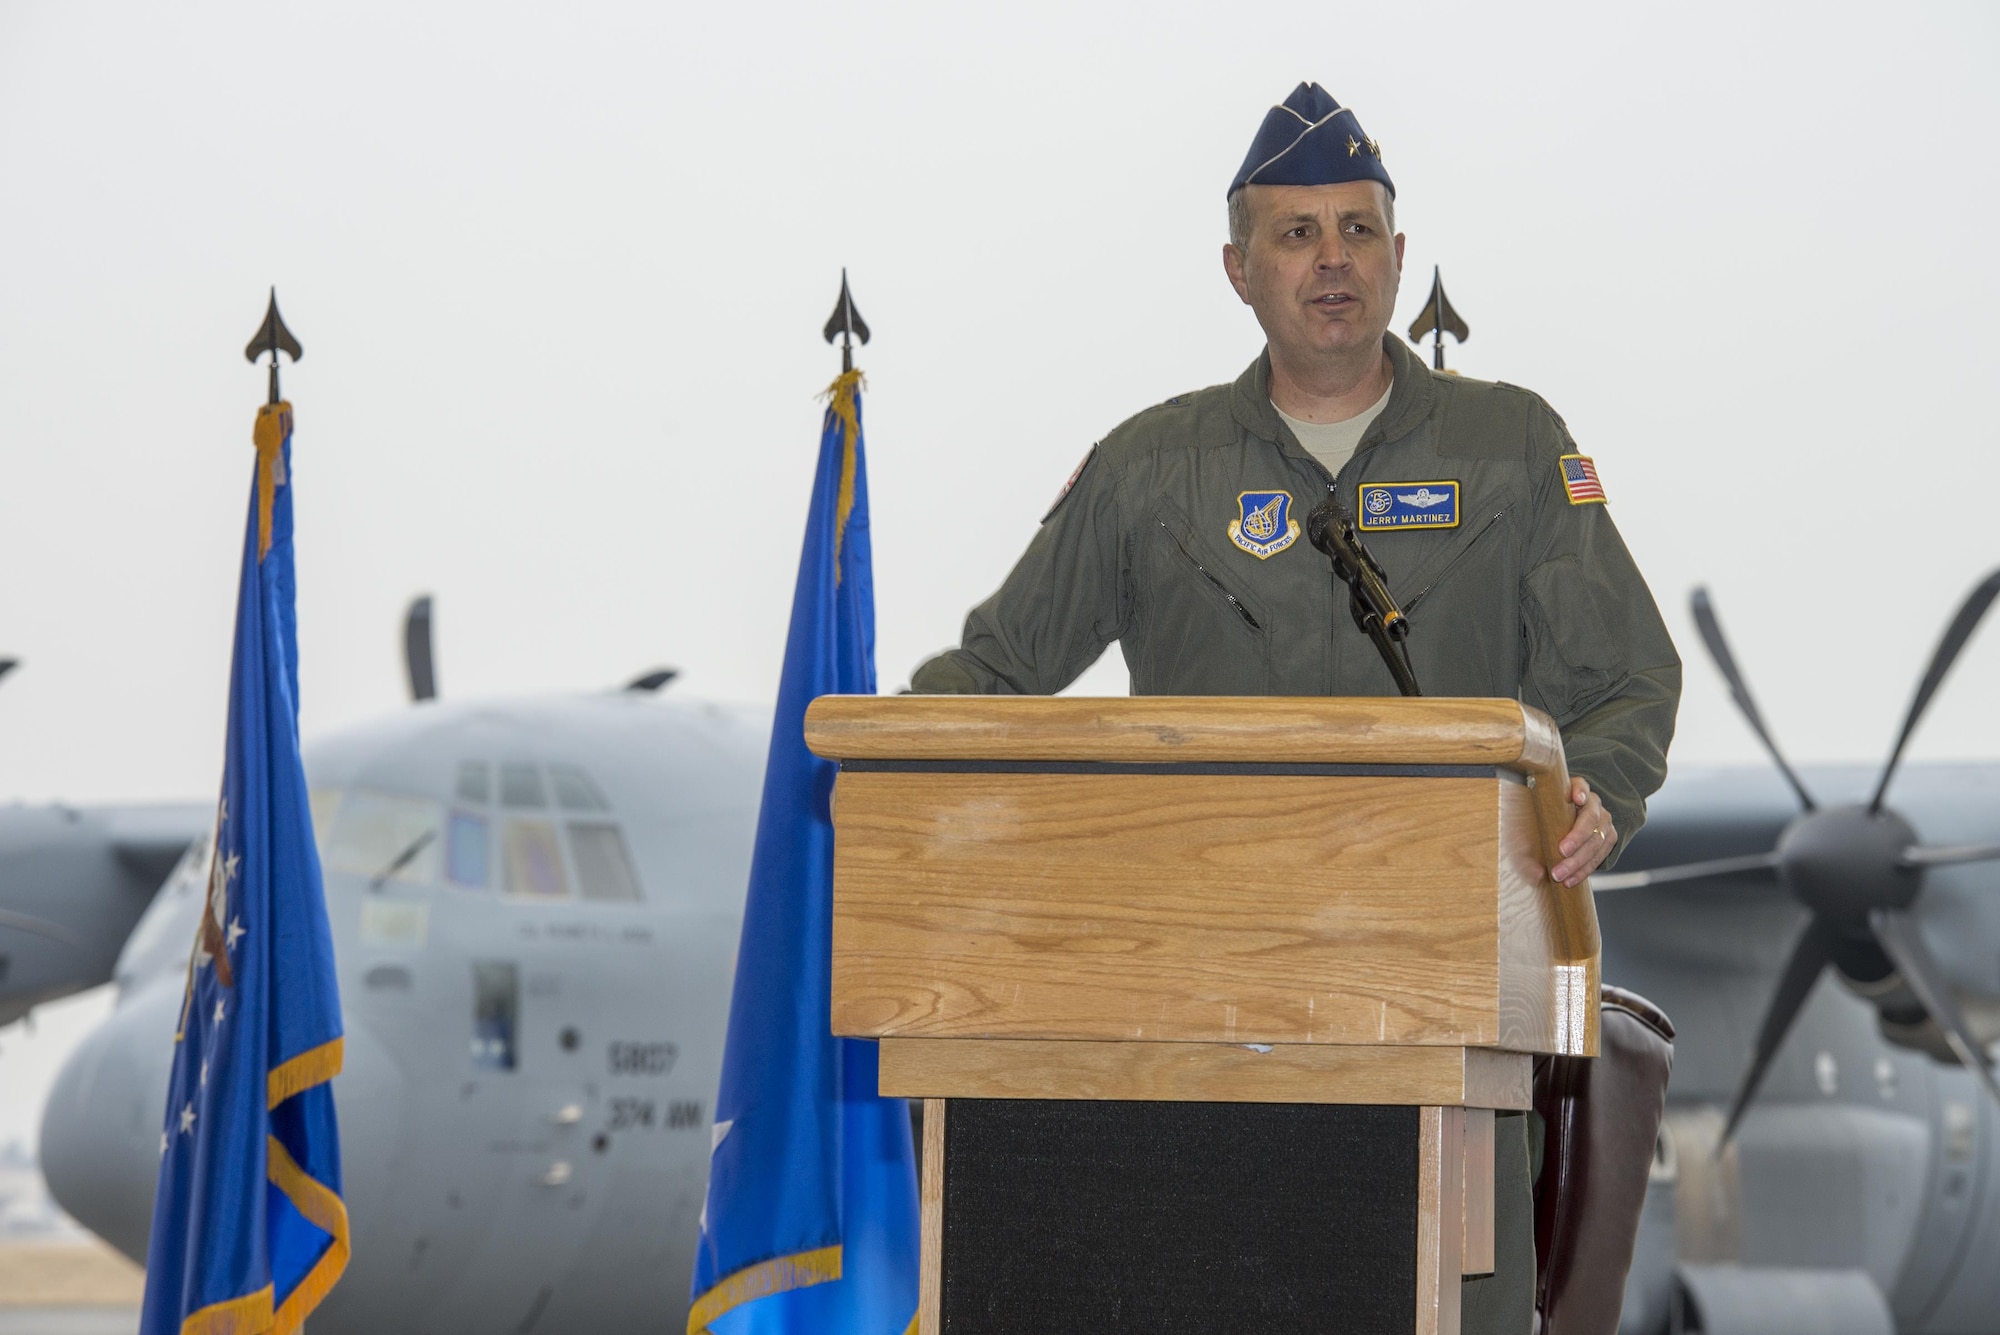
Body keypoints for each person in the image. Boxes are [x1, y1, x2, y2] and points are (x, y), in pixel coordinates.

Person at [910, 81, 1681, 1332]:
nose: (1332, 261)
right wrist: (899, 773)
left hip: (1447, 1012)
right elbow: (990, 676)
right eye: (1295, 233)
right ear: (1237, 268)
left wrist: (1597, 790)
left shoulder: (1507, 446)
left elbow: (1624, 678)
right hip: (1195, 1022)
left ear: (1395, 254)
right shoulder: (1153, 469)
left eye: (1357, 229)